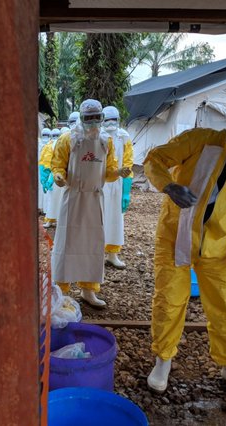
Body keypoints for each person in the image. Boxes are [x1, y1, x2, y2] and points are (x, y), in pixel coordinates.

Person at [144, 117, 226, 401]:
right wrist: (169, 186)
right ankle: (163, 360)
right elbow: (155, 158)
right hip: (174, 237)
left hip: (216, 248)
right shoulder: (199, 141)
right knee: (169, 300)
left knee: (225, 306)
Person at [50, 100, 131, 308]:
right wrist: (59, 175)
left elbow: (109, 171)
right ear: (82, 118)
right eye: (89, 119)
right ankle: (61, 290)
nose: (94, 123)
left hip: (95, 197)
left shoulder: (107, 141)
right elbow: (58, 164)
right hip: (75, 196)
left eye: (97, 118)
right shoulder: (68, 138)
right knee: (67, 243)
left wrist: (118, 172)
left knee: (93, 245)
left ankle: (88, 290)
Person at [101, 106, 134, 269]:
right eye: (107, 119)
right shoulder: (97, 136)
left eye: (114, 119)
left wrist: (126, 191)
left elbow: (128, 162)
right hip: (99, 183)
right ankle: (95, 254)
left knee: (115, 219)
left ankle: (112, 255)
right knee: (97, 219)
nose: (111, 123)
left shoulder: (124, 137)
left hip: (117, 184)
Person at [38, 128, 52, 214]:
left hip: (43, 169)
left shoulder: (49, 145)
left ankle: (42, 208)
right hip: (46, 169)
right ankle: (44, 209)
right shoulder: (51, 144)